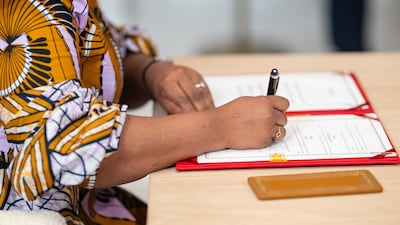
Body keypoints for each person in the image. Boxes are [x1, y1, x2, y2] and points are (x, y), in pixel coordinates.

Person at [0, 0, 289, 224]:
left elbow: (96, 56)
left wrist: (152, 73)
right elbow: (70, 149)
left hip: (89, 204)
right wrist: (221, 126)